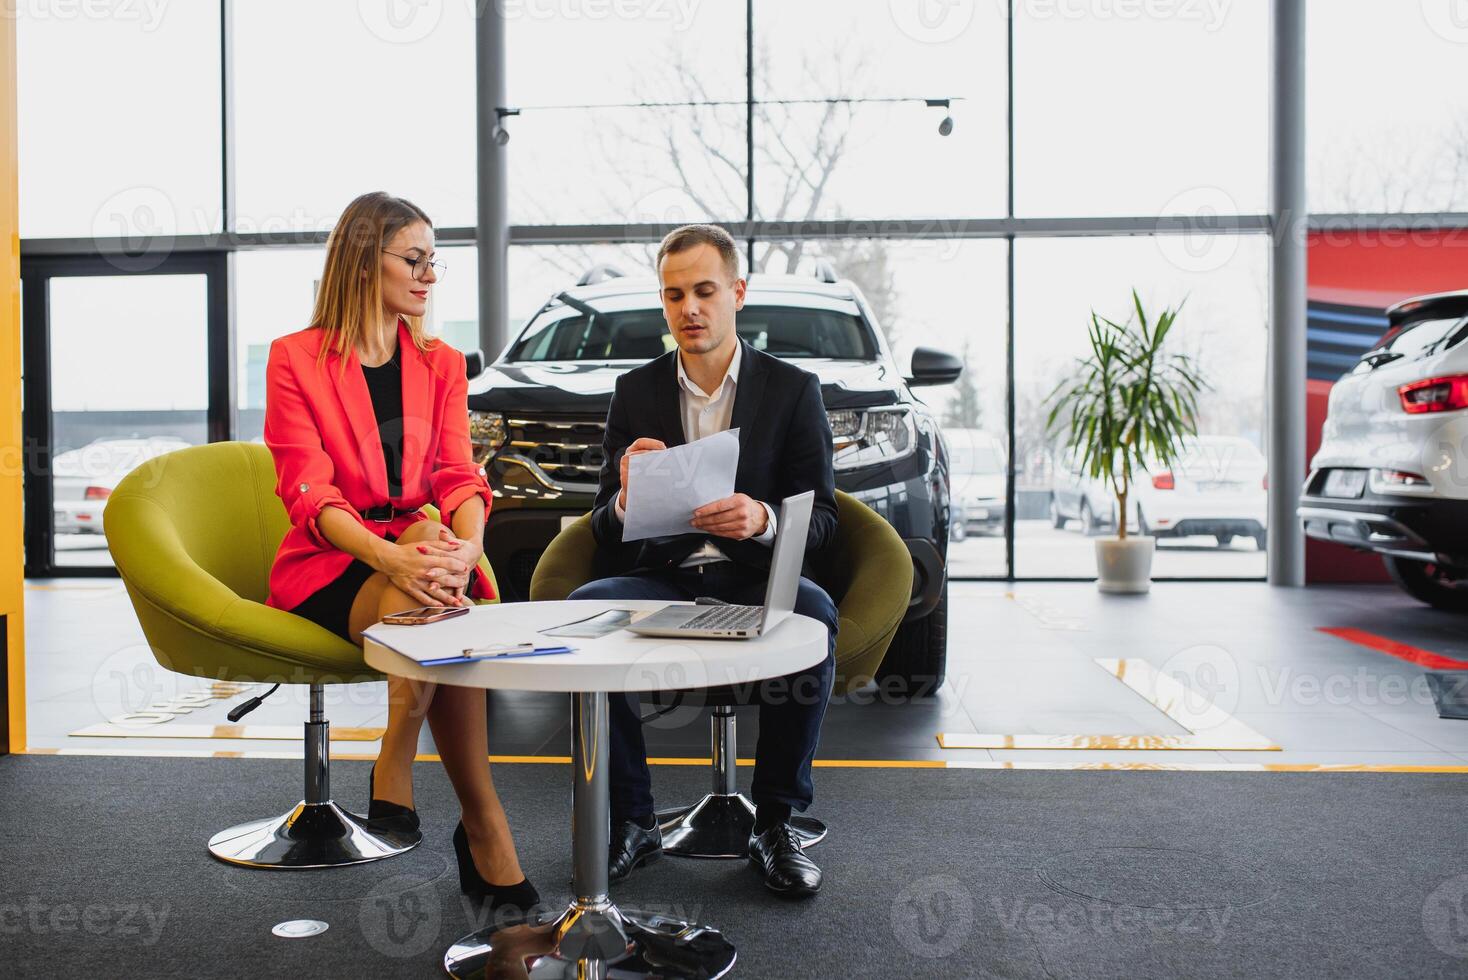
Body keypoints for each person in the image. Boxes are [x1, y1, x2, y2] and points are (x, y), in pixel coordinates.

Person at [262, 191, 537, 914]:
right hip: (333, 559)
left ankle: (401, 748)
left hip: (419, 552)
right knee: (444, 600)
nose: (429, 276)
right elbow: (309, 493)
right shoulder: (295, 359)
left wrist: (468, 544)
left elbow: (455, 474)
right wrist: (395, 558)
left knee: (438, 572)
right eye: (414, 260)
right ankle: (485, 831)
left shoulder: (440, 361)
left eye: (432, 261)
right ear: (362, 261)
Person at [569, 223, 839, 898]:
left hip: (751, 574)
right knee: (583, 609)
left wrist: (764, 518)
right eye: (674, 294)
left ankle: (776, 822)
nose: (689, 307)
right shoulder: (635, 392)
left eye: (705, 291)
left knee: (814, 610)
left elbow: (827, 521)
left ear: (738, 293)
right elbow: (602, 524)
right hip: (664, 575)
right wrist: (629, 500)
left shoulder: (792, 390)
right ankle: (632, 820)